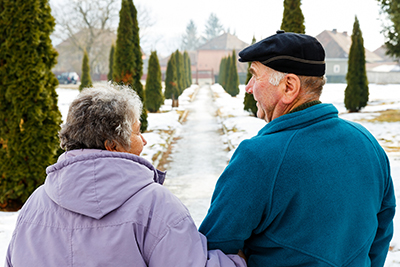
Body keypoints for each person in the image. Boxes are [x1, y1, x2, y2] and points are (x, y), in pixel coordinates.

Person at [199, 30, 396, 267]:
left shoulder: (259, 157)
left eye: (254, 76)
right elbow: (381, 235)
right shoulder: (367, 143)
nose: (249, 88)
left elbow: (213, 249)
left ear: (289, 86)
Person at [5, 84, 246, 267]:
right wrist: (238, 260)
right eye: (137, 131)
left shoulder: (34, 205)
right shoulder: (156, 206)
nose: (144, 140)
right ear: (113, 145)